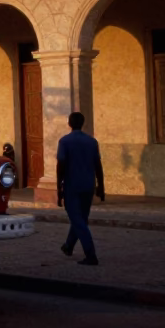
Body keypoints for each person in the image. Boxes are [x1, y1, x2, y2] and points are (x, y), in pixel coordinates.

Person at [57, 111, 105, 266]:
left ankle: (91, 254)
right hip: (88, 186)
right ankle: (68, 246)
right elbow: (98, 166)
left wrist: (59, 188)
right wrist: (101, 187)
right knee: (81, 219)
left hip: (72, 186)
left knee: (77, 220)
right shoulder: (92, 142)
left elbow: (61, 165)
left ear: (69, 123)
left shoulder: (65, 141)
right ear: (83, 123)